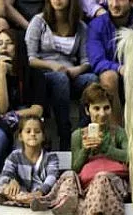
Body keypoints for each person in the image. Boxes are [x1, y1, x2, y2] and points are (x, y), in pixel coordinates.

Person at [67, 83, 128, 215]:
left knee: (103, 179)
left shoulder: (118, 132)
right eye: (96, 108)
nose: (102, 113)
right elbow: (75, 167)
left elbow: (128, 157)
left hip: (117, 182)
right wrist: (85, 149)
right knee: (101, 185)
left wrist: (106, 147)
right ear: (87, 110)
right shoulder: (78, 135)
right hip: (92, 187)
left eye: (106, 107)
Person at [0, 29, 46, 201]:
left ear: (19, 47)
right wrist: (1, 73)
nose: (3, 48)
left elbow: (37, 110)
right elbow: (0, 107)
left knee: (22, 138)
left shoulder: (34, 74)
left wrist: (5, 117)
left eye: (8, 43)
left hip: (25, 125)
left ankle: (21, 189)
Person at [26, 0, 98, 151]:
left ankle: (82, 131)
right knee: (60, 78)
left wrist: (76, 70)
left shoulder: (81, 27)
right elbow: (30, 58)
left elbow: (86, 61)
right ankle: (64, 133)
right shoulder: (39, 22)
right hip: (45, 74)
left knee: (91, 80)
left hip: (70, 73)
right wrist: (52, 66)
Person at [0, 115, 61, 206]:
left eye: (37, 131)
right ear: (20, 136)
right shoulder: (14, 156)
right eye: (28, 131)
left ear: (43, 136)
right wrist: (11, 181)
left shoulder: (51, 157)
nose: (32, 134)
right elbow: (3, 177)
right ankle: (25, 201)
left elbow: (52, 177)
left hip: (44, 195)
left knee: (69, 177)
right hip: (20, 194)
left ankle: (34, 202)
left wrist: (40, 192)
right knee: (3, 188)